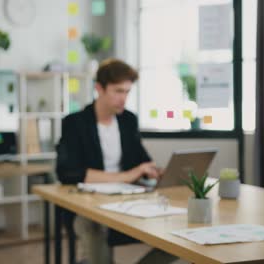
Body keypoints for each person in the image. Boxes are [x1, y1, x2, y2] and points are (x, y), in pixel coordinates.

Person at [56, 58, 177, 264]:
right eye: (118, 91)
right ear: (99, 89)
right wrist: (127, 175)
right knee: (92, 225)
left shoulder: (128, 120)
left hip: (127, 198)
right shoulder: (75, 123)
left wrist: (153, 170)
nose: (123, 98)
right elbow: (68, 172)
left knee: (176, 233)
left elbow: (141, 159)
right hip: (88, 203)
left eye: (127, 92)